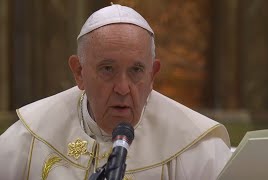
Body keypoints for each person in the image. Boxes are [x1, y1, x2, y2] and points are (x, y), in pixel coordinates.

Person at [0, 4, 232, 180]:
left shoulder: (200, 148)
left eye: (136, 70)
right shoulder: (26, 138)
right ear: (79, 72)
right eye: (107, 69)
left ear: (152, 74)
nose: (122, 88)